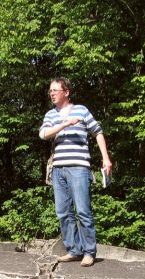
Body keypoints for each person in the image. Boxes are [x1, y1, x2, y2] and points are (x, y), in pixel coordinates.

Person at [39, 77, 112, 267]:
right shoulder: (50, 115)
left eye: (55, 90)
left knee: (83, 211)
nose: (52, 93)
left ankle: (89, 252)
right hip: (58, 170)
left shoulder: (82, 110)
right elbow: (43, 134)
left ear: (66, 92)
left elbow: (98, 132)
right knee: (63, 212)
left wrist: (105, 158)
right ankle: (73, 250)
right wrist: (65, 124)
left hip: (79, 168)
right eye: (50, 91)